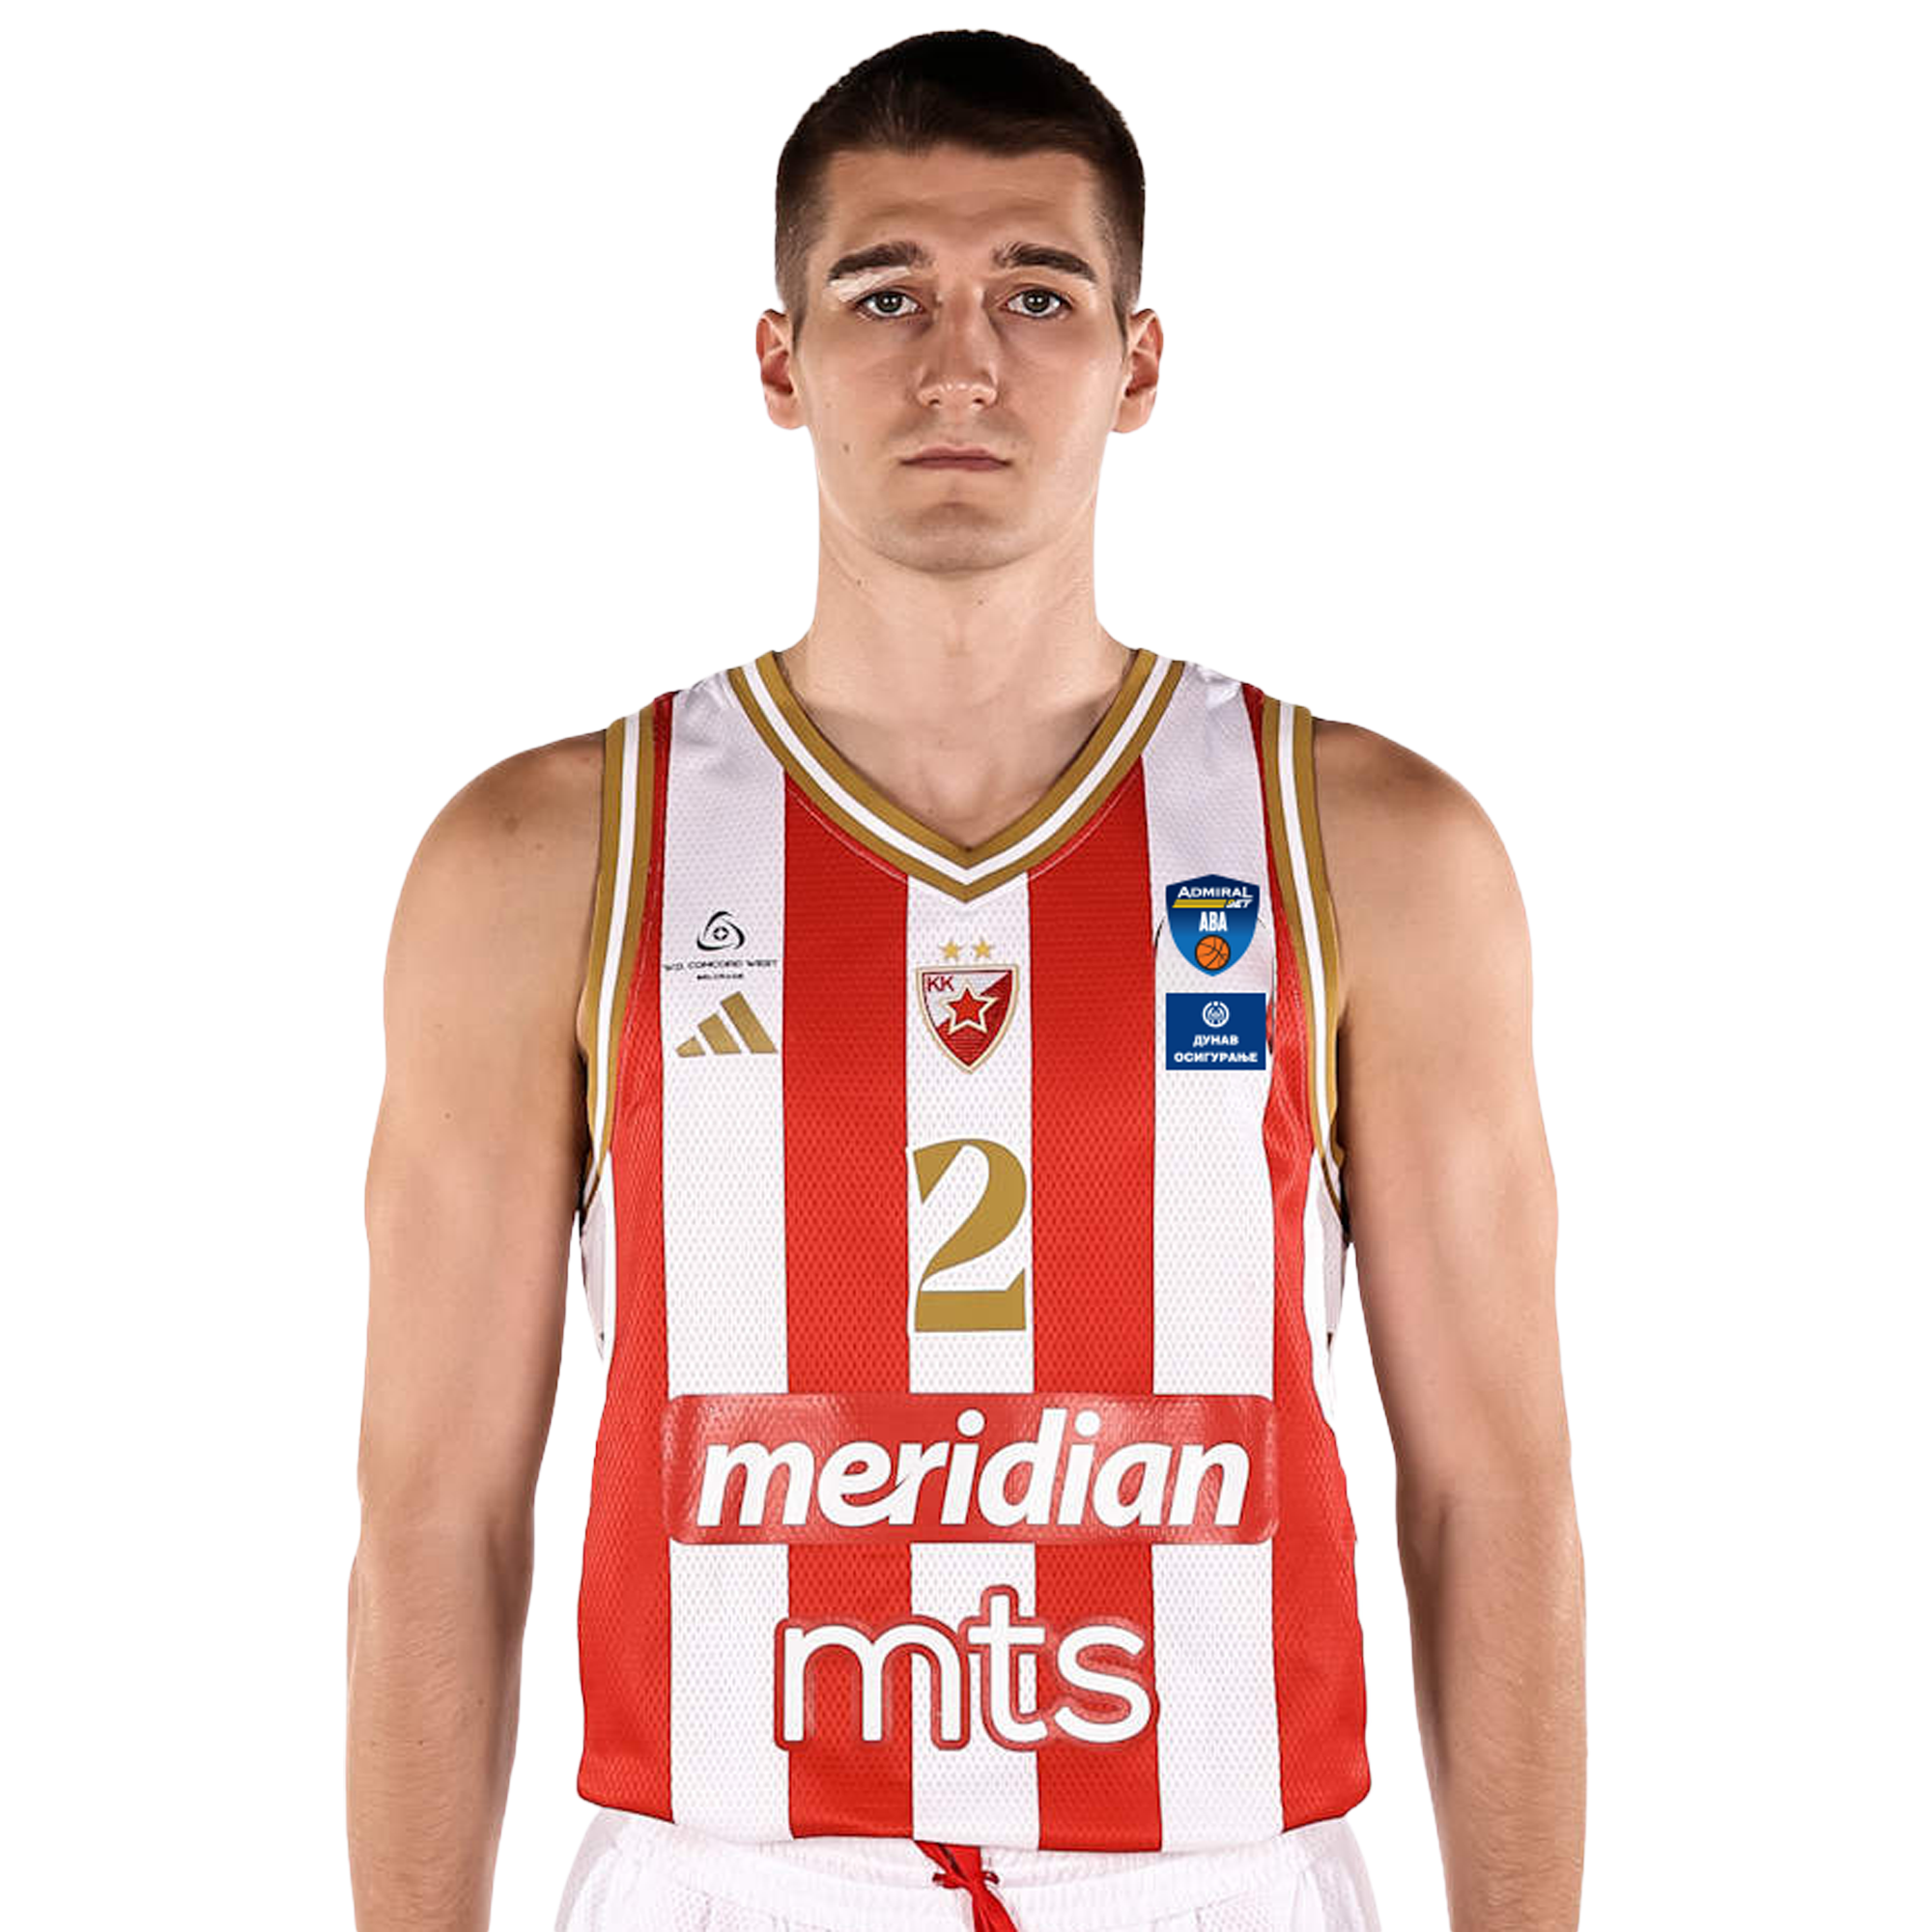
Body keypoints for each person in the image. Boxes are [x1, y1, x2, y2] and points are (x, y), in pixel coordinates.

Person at [346, 30, 1586, 1932]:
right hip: (724, 1881)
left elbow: (1493, 1498)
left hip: (1224, 1880)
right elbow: (433, 1515)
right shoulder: (550, 854)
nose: (959, 364)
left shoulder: (1365, 843)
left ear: (1138, 364)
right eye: (884, 293)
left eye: (1035, 293)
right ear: (779, 360)